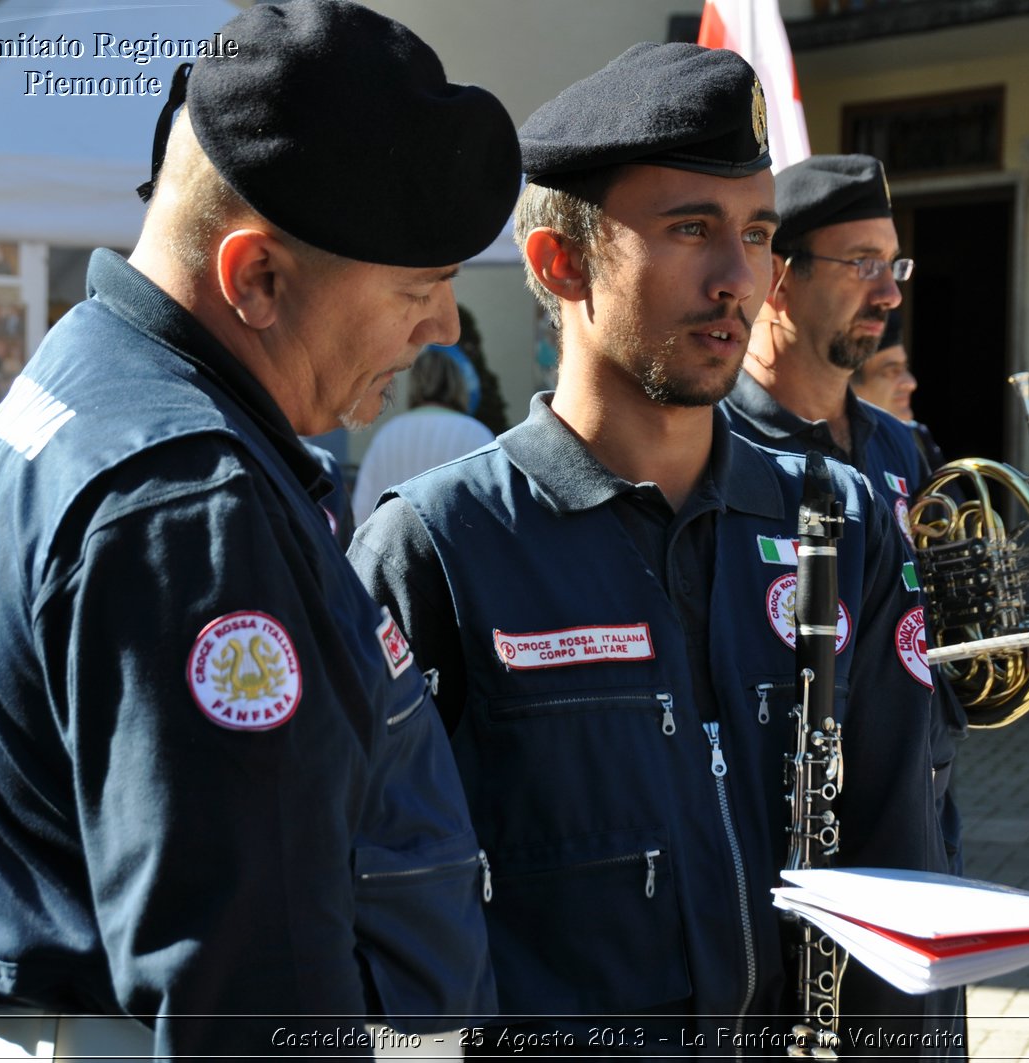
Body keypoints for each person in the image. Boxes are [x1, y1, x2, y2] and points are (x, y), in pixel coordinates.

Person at [0, 3, 521, 1058]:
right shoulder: (187, 503)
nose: (444, 329)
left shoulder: (87, 398)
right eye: (420, 289)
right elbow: (250, 985)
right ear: (257, 279)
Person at [352, 44, 945, 1052]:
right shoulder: (438, 547)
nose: (736, 278)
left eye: (757, 234)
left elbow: (898, 866)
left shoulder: (839, 524)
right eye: (689, 229)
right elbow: (381, 915)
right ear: (560, 263)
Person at [722, 154, 1029, 870]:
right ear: (778, 280)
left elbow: (947, 637)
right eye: (863, 264)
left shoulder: (904, 446)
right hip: (772, 849)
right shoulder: (713, 448)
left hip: (919, 827)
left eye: (894, 267)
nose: (890, 295)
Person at [350, 346, 494, 524]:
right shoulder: (476, 434)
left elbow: (361, 511)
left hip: (392, 545)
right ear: (458, 382)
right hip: (456, 549)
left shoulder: (388, 434)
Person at [852, 310, 948, 472]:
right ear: (848, 384)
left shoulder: (917, 440)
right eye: (891, 371)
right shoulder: (825, 448)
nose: (911, 383)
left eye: (905, 368)